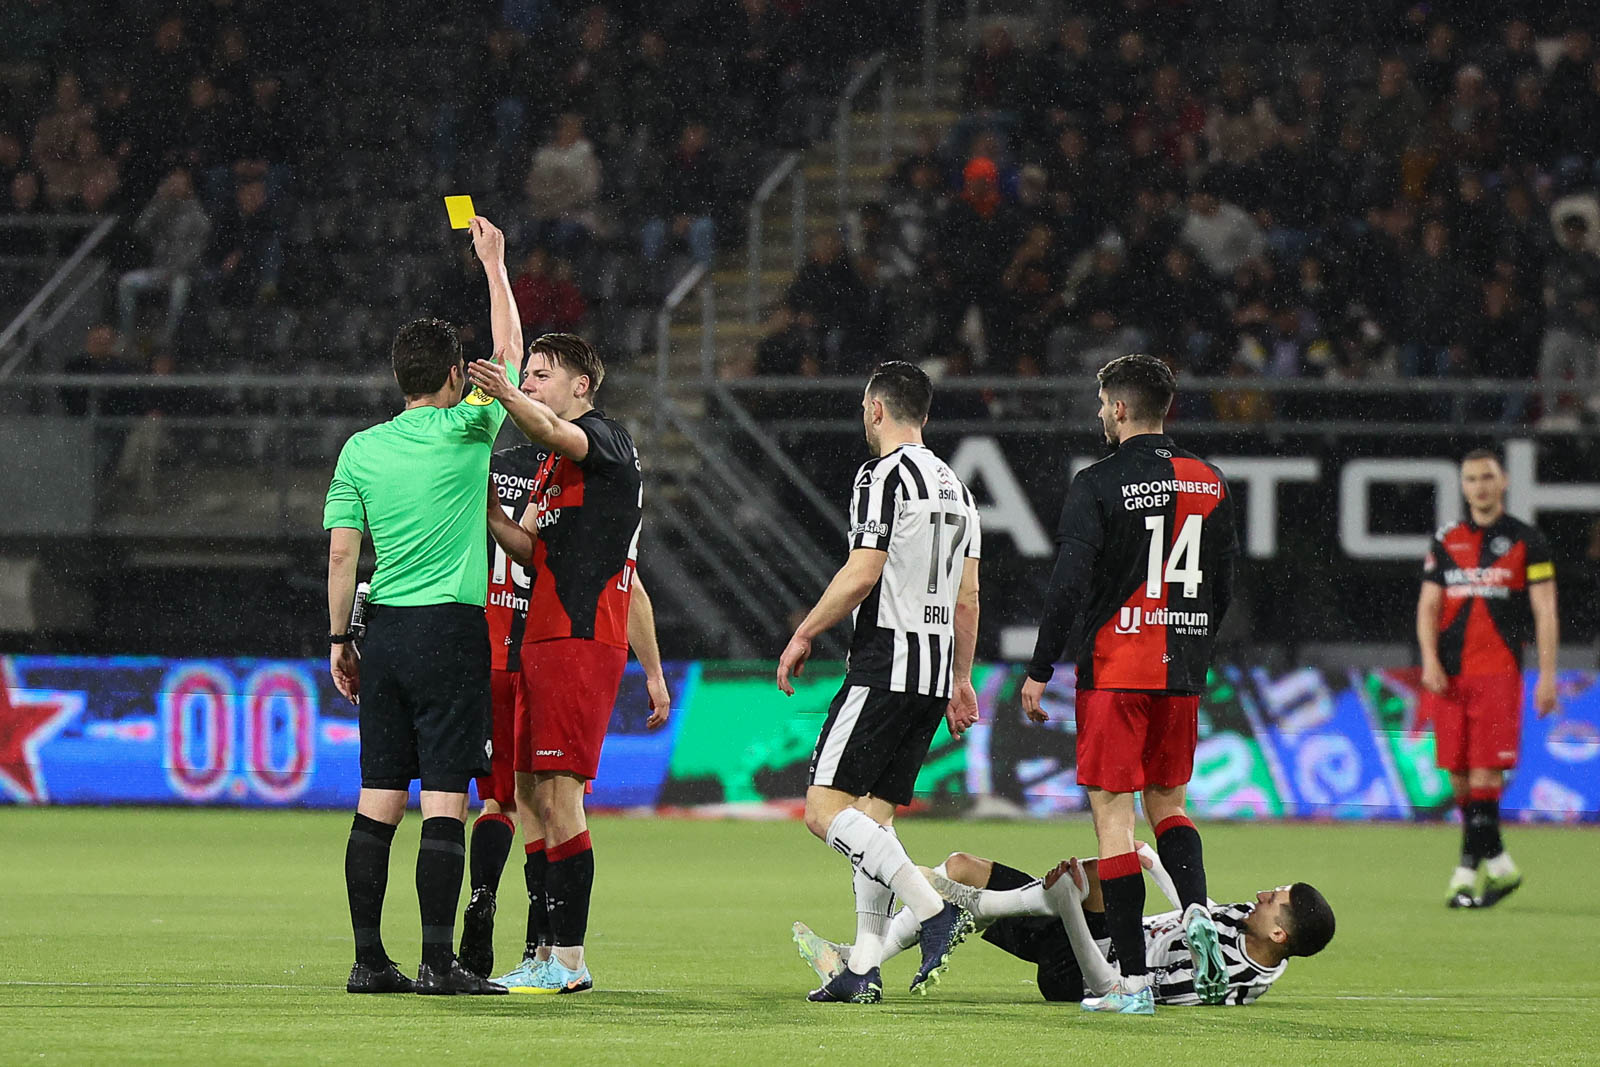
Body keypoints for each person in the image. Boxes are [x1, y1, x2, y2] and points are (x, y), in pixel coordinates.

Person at [322, 216, 519, 997]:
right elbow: (511, 360)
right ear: (454, 377)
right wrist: (495, 268)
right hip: (450, 629)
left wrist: (341, 636)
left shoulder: (360, 449)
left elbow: (342, 553)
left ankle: (369, 959)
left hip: (387, 630)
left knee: (377, 798)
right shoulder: (472, 427)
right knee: (444, 797)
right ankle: (440, 962)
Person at [1021, 353, 1239, 1013]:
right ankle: (1197, 908)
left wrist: (1040, 665)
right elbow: (1225, 584)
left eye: (1101, 405)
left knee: (1113, 817)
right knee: (1169, 802)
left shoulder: (1098, 482)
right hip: (1182, 669)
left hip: (1117, 669)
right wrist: (1194, 641)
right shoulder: (1211, 481)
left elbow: (1068, 584)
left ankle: (1134, 982)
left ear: (1119, 407)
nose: (1099, 415)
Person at [774, 361, 985, 1004]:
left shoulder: (881, 475)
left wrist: (806, 631)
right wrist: (962, 678)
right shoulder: (957, 488)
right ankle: (863, 968)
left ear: (875, 409)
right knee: (873, 817)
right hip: (929, 673)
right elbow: (968, 596)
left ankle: (931, 908)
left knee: (823, 810)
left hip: (885, 661)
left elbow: (864, 571)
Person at [456, 361, 671, 983]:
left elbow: (555, 431)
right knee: (530, 794)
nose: (530, 383)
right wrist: (492, 510)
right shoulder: (550, 472)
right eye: (526, 376)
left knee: (561, 796)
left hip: (579, 635)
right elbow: (526, 547)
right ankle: (544, 953)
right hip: (540, 640)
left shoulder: (603, 439)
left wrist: (501, 394)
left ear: (581, 385)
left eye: (542, 374)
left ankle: (569, 960)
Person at [793, 844, 1335, 1012]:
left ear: (1281, 934)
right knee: (958, 870)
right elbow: (1200, 907)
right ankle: (861, 960)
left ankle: (876, 952)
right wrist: (1152, 859)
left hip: (1080, 970)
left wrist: (1068, 905)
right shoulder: (1248, 928)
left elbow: (1118, 989)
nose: (1264, 895)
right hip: (1101, 931)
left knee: (1099, 877)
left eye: (1276, 901)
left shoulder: (1224, 979)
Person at [1418, 449, 1560, 910]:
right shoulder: (1446, 539)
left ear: (1504, 483)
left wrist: (1548, 674)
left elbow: (1545, 610)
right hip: (1451, 677)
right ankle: (1493, 865)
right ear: (1463, 486)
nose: (1479, 486)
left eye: (1487, 478)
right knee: (1460, 781)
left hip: (1498, 675)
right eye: (1471, 479)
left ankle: (1466, 872)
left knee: (1484, 776)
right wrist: (1429, 660)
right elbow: (1428, 607)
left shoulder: (1527, 540)